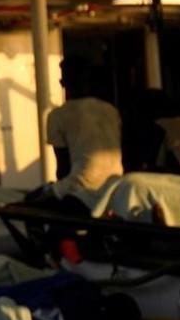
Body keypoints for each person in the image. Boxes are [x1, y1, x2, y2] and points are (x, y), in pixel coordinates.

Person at [25, 56, 123, 211]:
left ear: (63, 83)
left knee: (30, 203)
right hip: (116, 185)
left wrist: (55, 192)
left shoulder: (58, 115)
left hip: (81, 188)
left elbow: (63, 169)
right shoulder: (111, 110)